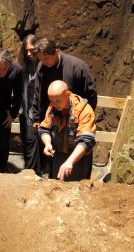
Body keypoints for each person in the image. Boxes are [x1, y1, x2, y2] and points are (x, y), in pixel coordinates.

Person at [31, 37, 97, 178]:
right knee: (55, 169)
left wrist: (81, 116)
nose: (44, 63)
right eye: (41, 60)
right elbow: (38, 93)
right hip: (54, 122)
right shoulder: (42, 67)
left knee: (77, 172)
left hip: (76, 120)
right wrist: (37, 117)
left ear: (55, 52)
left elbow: (91, 95)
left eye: (46, 59)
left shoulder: (77, 67)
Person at [39, 80, 96, 181]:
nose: (54, 104)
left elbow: (86, 140)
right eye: (51, 100)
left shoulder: (84, 110)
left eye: (57, 100)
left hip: (78, 160)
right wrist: (47, 143)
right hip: (58, 157)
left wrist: (70, 162)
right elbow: (45, 129)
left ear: (68, 94)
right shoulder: (53, 106)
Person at [16, 34, 41, 174]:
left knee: (34, 143)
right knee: (27, 143)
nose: (29, 54)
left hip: (37, 114)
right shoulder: (22, 66)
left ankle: (34, 174)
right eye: (26, 51)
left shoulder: (43, 65)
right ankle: (30, 173)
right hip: (25, 112)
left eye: (32, 50)